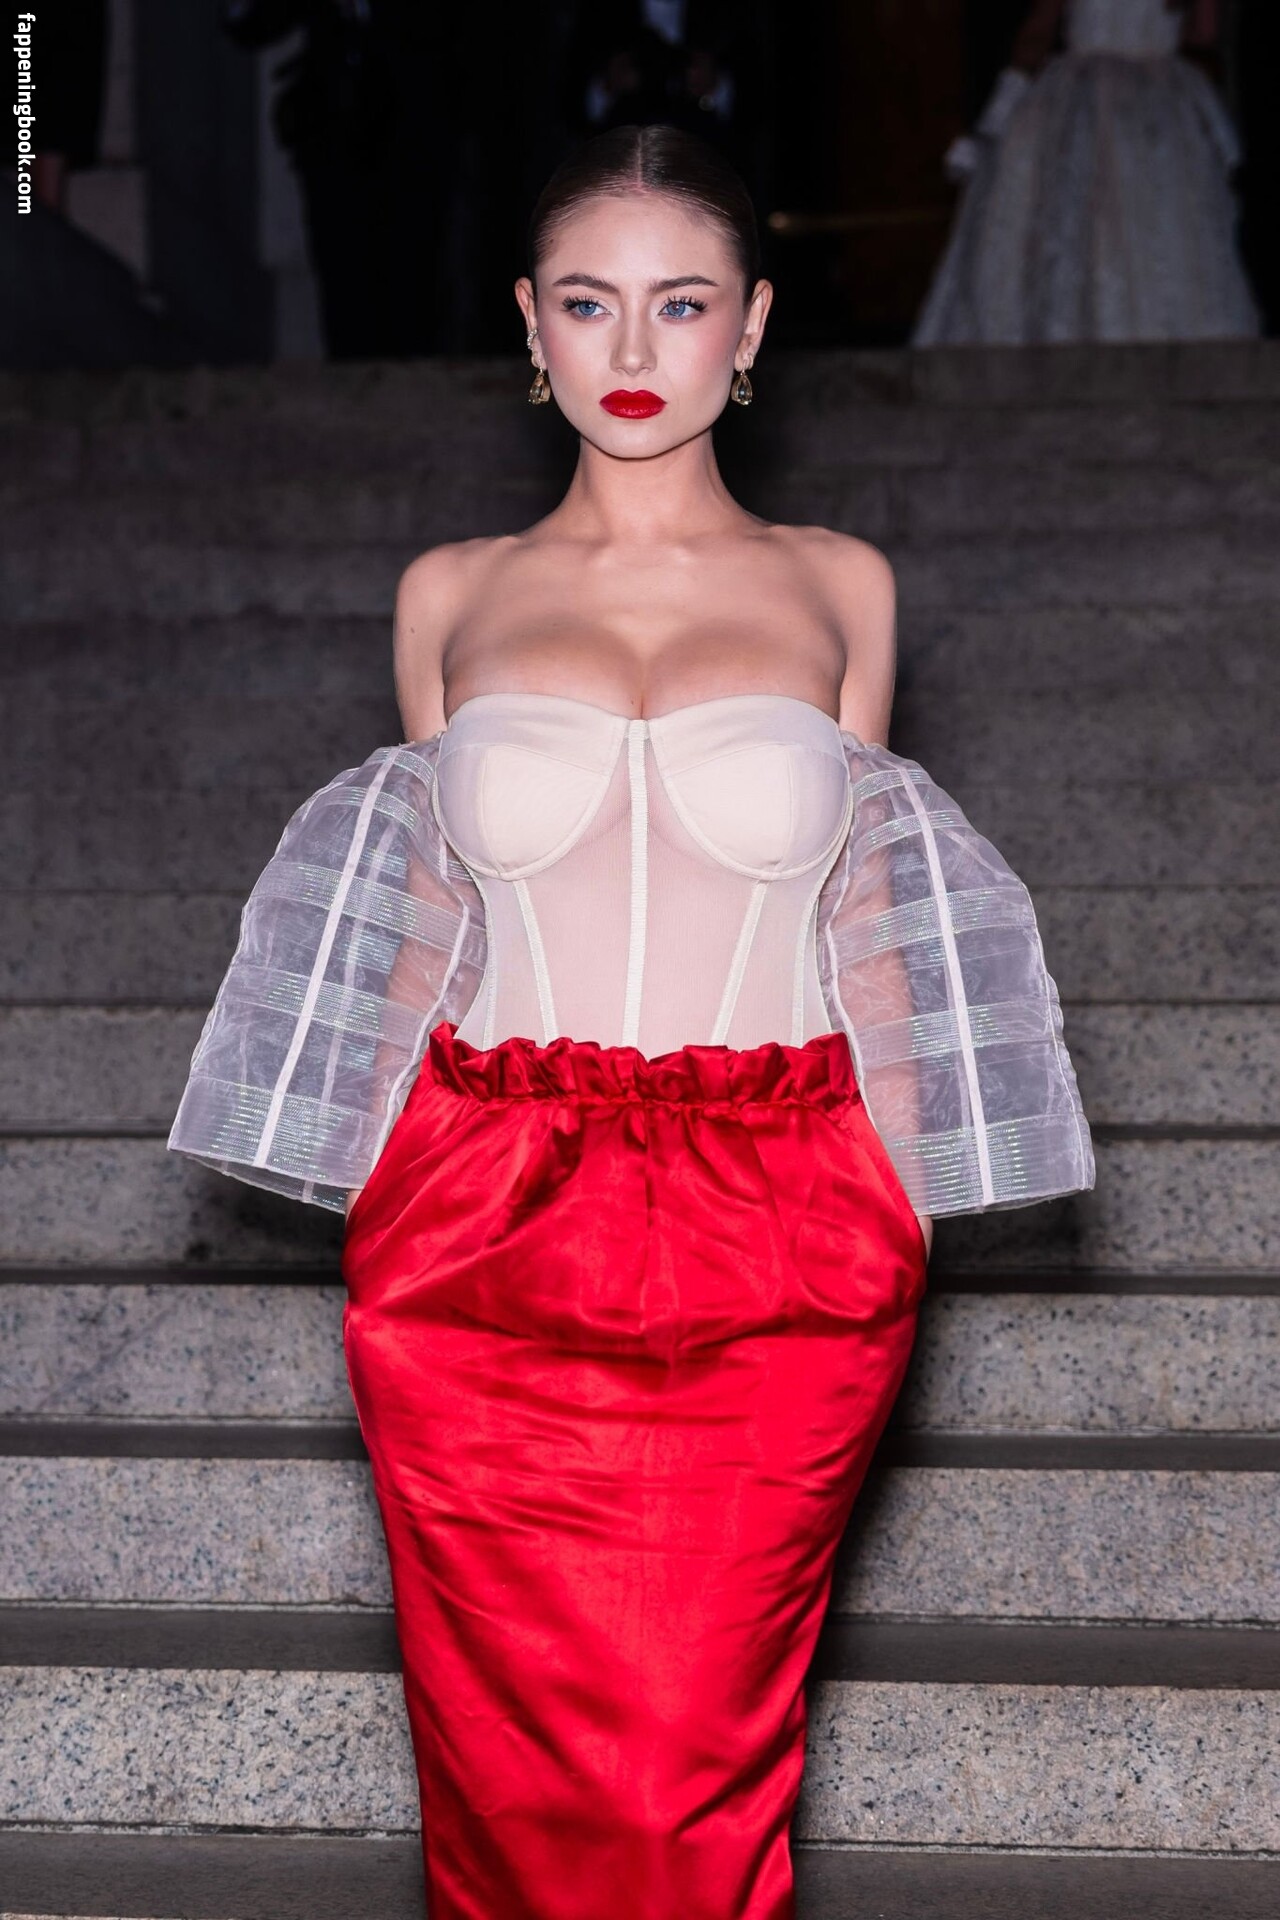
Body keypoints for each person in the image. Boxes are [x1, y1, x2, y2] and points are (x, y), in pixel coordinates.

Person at [168, 124, 1094, 1918]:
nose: (636, 348)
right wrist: (390, 1189)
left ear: (753, 326)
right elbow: (429, 927)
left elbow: (865, 923)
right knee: (502, 1764)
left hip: (784, 1229)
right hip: (480, 1232)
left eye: (682, 303)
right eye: (590, 304)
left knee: (693, 1752)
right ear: (532, 324)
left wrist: (897, 1204)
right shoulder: (452, 593)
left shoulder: (839, 586)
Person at [914, 0, 1261, 344]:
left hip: (1078, 97)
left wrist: (1000, 110)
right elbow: (1204, 34)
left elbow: (1037, 34)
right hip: (1157, 102)